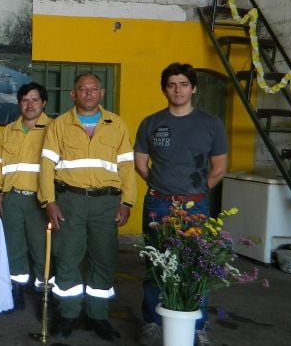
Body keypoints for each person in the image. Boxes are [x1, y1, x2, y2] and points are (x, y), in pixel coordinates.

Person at [135, 63, 228, 346]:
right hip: (158, 204)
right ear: (164, 89)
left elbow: (219, 168)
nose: (178, 90)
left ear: (193, 87)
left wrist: (192, 195)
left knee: (196, 267)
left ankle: (198, 326)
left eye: (184, 84)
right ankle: (152, 322)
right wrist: (167, 190)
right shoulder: (151, 123)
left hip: (196, 207)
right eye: (172, 85)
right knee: (155, 265)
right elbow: (140, 163)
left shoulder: (211, 123)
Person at [39, 73, 136, 341]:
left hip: (107, 203)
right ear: (74, 94)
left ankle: (98, 315)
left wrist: (127, 202)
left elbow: (127, 167)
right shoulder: (59, 125)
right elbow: (47, 166)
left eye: (94, 89)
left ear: (101, 93)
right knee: (67, 258)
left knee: (104, 259)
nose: (89, 93)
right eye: (83, 89)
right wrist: (49, 201)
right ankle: (68, 314)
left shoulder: (116, 125)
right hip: (70, 200)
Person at [0, 83, 53, 312]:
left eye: (35, 100)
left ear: (43, 103)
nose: (30, 104)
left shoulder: (54, 129)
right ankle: (16, 293)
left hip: (41, 201)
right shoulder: (8, 131)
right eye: (25, 100)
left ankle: (45, 296)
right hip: (12, 198)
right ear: (19, 103)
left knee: (42, 249)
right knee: (13, 249)